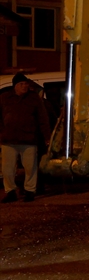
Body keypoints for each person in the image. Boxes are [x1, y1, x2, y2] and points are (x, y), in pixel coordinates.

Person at [1, 73, 51, 203]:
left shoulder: (34, 99)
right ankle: (10, 191)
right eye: (21, 84)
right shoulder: (5, 98)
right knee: (7, 169)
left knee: (30, 167)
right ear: (15, 86)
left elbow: (42, 118)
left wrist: (47, 136)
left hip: (29, 139)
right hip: (8, 140)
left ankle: (30, 191)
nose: (25, 86)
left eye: (26, 84)